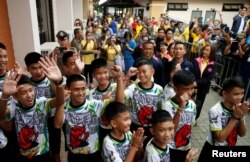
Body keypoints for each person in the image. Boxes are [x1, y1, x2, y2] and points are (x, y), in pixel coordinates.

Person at [54, 65, 124, 162]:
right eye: (76, 89)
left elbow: (119, 102)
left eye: (83, 89)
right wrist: (60, 99)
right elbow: (57, 125)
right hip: (74, 155)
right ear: (69, 89)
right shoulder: (64, 107)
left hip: (93, 154)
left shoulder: (95, 105)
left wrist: (119, 77)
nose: (80, 93)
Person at [0, 56, 64, 162]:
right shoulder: (14, 106)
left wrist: (59, 83)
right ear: (16, 96)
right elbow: (1, 114)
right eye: (23, 92)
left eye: (31, 90)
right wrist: (5, 95)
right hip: (24, 155)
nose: (29, 95)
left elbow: (59, 101)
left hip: (44, 153)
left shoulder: (41, 103)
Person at [198, 77, 249, 162]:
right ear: (225, 94)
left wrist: (241, 117)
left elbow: (242, 134)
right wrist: (235, 117)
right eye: (236, 94)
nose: (240, 97)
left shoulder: (239, 108)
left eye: (242, 93)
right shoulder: (215, 110)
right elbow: (220, 138)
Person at [24, 52, 62, 162]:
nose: (38, 71)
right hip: (36, 121)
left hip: (52, 119)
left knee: (55, 150)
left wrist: (56, 81)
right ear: (28, 69)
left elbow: (60, 98)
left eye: (40, 67)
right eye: (34, 68)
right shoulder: (28, 84)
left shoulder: (51, 79)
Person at [123, 58, 163, 147]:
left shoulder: (159, 89)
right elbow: (120, 98)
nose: (141, 75)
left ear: (152, 72)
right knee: (134, 149)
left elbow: (160, 109)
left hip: (151, 128)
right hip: (134, 126)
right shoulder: (133, 88)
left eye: (144, 71)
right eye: (139, 72)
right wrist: (127, 77)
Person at [162, 70, 196, 162]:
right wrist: (180, 108)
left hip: (185, 146)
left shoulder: (192, 104)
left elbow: (190, 126)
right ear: (175, 89)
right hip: (171, 147)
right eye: (186, 89)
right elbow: (170, 130)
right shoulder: (167, 106)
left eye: (192, 88)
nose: (190, 92)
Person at [193, 45, 216, 121]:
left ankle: (195, 119)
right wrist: (194, 84)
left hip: (203, 88)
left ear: (211, 52)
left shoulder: (212, 64)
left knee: (199, 104)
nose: (204, 51)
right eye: (204, 49)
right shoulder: (196, 60)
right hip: (192, 86)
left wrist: (197, 83)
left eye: (207, 50)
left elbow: (209, 78)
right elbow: (191, 73)